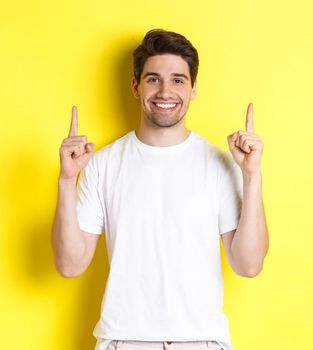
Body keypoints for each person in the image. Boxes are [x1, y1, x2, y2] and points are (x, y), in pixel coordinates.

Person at [51, 29, 269, 350]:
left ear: (193, 89)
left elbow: (248, 265)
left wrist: (252, 175)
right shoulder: (103, 164)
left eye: (178, 80)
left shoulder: (221, 164)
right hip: (125, 341)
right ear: (136, 86)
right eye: (153, 79)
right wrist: (67, 180)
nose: (166, 90)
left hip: (202, 341)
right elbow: (70, 265)